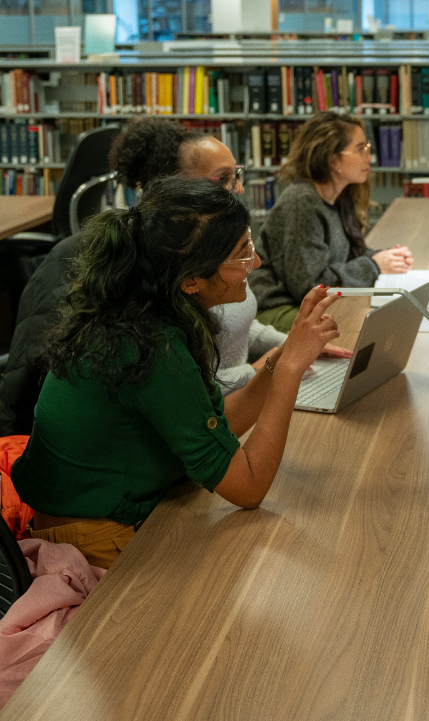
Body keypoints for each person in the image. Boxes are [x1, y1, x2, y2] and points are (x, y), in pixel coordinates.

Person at [10, 178, 340, 569]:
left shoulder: (139, 313)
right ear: (190, 281)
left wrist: (282, 356)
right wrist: (288, 370)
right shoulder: (152, 346)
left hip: (96, 511)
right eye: (243, 252)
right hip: (93, 535)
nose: (257, 263)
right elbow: (249, 487)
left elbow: (211, 426)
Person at [0, 120, 279, 437]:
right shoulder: (150, 274)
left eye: (237, 176)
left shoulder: (204, 246)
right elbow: (172, 385)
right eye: (224, 179)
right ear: (172, 186)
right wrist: (267, 369)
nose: (239, 189)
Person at [250, 111, 413, 332]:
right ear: (333, 159)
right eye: (360, 149)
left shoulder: (339, 195)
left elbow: (347, 257)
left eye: (367, 148)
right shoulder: (302, 202)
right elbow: (310, 287)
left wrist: (383, 258)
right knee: (362, 325)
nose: (369, 157)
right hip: (278, 309)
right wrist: (374, 265)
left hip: (308, 305)